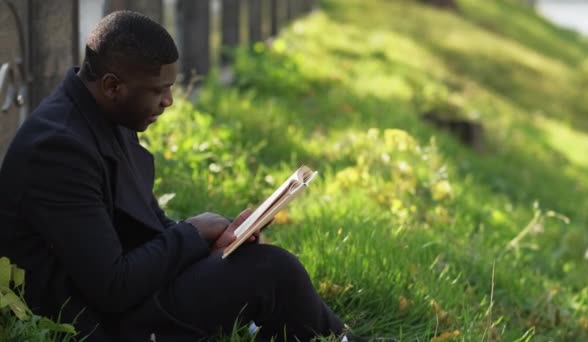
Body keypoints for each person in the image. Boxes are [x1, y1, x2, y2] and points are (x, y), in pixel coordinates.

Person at [0, 11, 355, 342]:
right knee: (272, 271)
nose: (169, 101)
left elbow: (142, 225)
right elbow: (111, 286)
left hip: (122, 297)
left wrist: (213, 243)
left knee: (257, 264)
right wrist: (193, 232)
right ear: (112, 86)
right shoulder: (59, 148)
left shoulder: (105, 117)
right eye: (158, 90)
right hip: (86, 321)